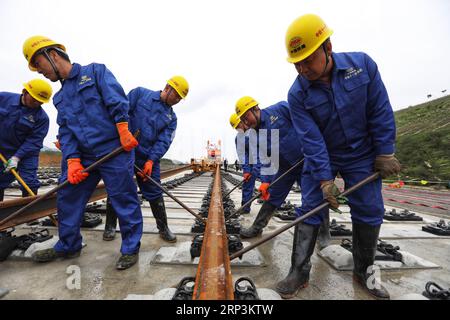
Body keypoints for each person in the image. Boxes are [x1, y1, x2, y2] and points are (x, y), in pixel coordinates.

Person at [279, 14, 401, 299]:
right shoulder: (297, 94)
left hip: (362, 154)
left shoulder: (363, 67)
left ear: (328, 47)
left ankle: (364, 273)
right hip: (325, 154)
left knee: (370, 209)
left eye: (308, 59)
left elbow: (379, 110)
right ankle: (298, 272)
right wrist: (324, 179)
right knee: (310, 206)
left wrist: (385, 152)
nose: (302, 68)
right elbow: (311, 139)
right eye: (297, 63)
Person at [23, 35, 143, 270]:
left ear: (53, 55)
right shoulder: (59, 97)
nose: (39, 71)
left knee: (123, 199)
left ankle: (130, 248)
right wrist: (73, 160)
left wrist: (122, 127)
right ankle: (69, 245)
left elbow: (116, 99)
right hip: (85, 156)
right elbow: (66, 131)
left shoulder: (95, 72)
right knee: (67, 196)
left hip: (114, 150)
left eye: (39, 64)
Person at [102, 76, 189, 243]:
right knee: (117, 187)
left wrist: (151, 160)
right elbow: (121, 112)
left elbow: (164, 141)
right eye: (176, 95)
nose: (177, 100)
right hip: (125, 150)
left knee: (155, 191)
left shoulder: (172, 118)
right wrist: (122, 136)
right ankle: (110, 226)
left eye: (180, 98)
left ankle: (163, 228)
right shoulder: (140, 94)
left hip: (147, 158)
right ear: (167, 88)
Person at [234, 96, 314, 238]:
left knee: (312, 199)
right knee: (273, 196)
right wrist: (265, 181)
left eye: (247, 117)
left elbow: (306, 121)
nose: (246, 122)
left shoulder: (280, 109)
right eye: (243, 120)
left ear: (255, 108)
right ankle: (257, 228)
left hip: (305, 163)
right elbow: (265, 159)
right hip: (285, 168)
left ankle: (322, 235)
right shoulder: (255, 135)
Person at [0, 79, 51, 201]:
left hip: (26, 152)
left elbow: (34, 141)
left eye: (41, 102)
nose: (37, 103)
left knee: (29, 181)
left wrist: (17, 157)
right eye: (34, 99)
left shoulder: (42, 118)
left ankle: (30, 217)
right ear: (25, 92)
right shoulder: (3, 98)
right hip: (2, 147)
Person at [229, 113, 260, 214]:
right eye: (236, 128)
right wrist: (246, 170)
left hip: (264, 161)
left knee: (271, 185)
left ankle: (276, 205)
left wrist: (256, 167)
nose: (239, 129)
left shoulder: (256, 130)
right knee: (247, 184)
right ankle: (245, 208)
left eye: (239, 125)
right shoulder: (239, 138)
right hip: (252, 164)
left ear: (243, 121)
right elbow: (243, 156)